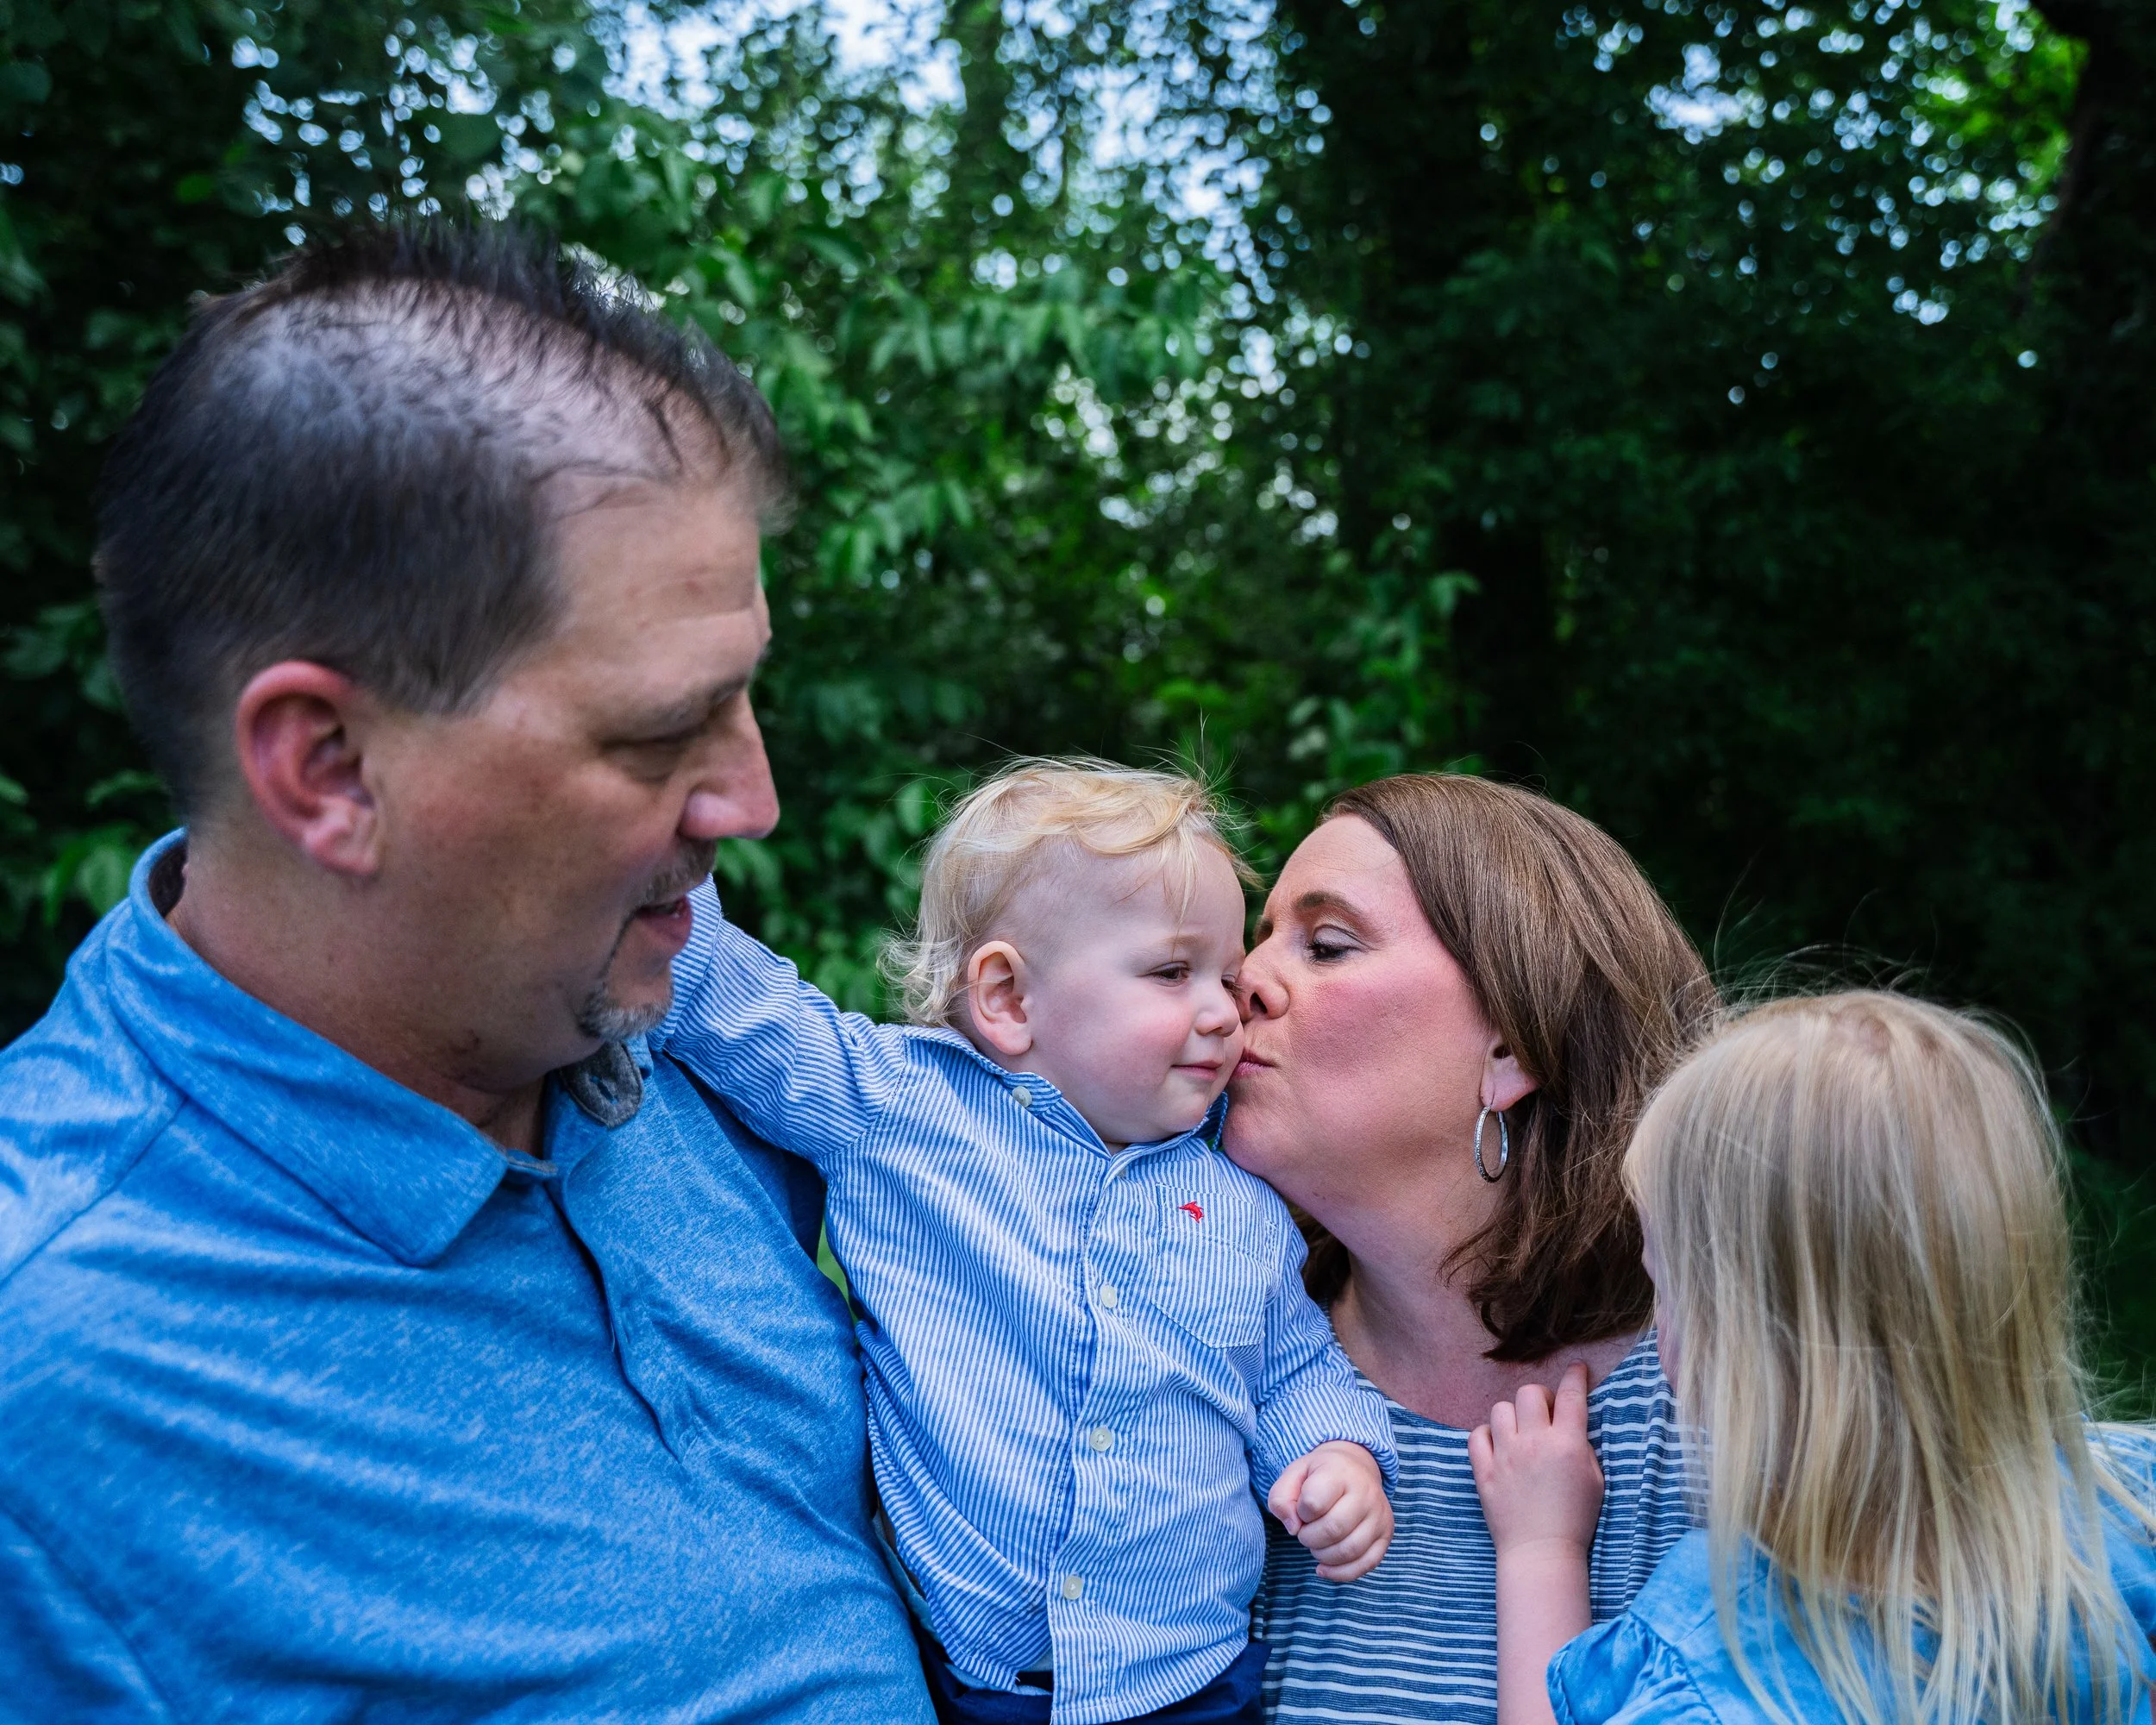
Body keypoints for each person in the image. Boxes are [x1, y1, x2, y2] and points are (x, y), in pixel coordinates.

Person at [0, 223, 933, 1720]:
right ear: (330, 770)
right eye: (653, 737)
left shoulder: (634, 1013)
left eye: (743, 694)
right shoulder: (53, 1389)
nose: (751, 801)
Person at [655, 759, 1399, 1725]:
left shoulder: (1239, 1205)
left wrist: (1336, 1453)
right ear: (1007, 996)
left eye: (1224, 972)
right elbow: (729, 999)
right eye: (1174, 971)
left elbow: (1294, 1367)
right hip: (971, 1680)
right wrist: (653, 801)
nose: (1225, 1008)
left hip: (1189, 1680)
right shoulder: (898, 1111)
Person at [1492, 991, 2156, 1724]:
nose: (1655, 1333)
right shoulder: (2125, 1513)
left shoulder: (1719, 1683)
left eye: (1662, 1290)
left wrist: (1540, 1549)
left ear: (1737, 1347)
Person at [1234, 773, 1716, 1722]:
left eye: (1324, 944)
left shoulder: (1726, 1410)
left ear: (1511, 1048)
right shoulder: (1204, 1371)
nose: (1239, 976)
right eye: (1259, 937)